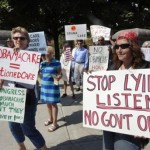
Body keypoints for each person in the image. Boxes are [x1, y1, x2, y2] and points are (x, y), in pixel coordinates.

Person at [0, 26, 47, 150]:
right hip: (10, 95)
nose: (18, 40)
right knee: (13, 126)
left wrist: (18, 56)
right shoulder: (5, 55)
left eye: (22, 38)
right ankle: (21, 146)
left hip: (28, 98)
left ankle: (43, 148)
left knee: (28, 128)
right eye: (15, 38)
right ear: (12, 39)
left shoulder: (33, 56)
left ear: (27, 40)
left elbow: (32, 73)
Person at [103, 31, 150, 150]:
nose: (119, 50)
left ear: (133, 47)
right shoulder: (112, 68)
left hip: (132, 127)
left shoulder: (146, 68)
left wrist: (147, 126)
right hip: (110, 124)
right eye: (117, 46)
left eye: (124, 46)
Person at [40, 46, 62, 131]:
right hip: (44, 87)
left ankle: (55, 123)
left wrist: (59, 76)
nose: (47, 54)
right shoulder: (42, 63)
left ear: (52, 53)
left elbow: (60, 73)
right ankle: (50, 119)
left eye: (49, 52)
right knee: (47, 103)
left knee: (53, 104)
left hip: (53, 87)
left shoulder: (57, 62)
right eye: (46, 52)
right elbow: (41, 74)